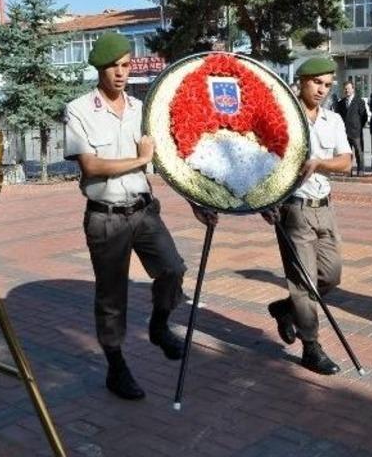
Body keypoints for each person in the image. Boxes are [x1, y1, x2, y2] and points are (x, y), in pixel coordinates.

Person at [195, 57, 353, 375]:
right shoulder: (279, 120)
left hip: (325, 207)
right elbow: (253, 164)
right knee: (303, 282)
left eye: (327, 85)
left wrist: (319, 164)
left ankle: (285, 307)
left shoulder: (332, 120)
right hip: (292, 210)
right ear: (301, 82)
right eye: (316, 83)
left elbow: (346, 161)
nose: (321, 90)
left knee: (332, 275)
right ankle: (312, 347)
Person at [63, 33, 187, 400]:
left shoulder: (139, 109)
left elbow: (163, 161)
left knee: (173, 268)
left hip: (144, 210)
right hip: (107, 217)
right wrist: (139, 160)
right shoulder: (79, 110)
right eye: (113, 67)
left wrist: (198, 203)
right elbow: (92, 165)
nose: (120, 73)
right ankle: (116, 368)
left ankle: (159, 325)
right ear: (100, 70)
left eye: (125, 65)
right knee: (111, 297)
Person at [333, 81, 368, 176]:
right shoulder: (340, 103)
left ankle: (360, 170)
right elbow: (338, 117)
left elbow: (364, 117)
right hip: (344, 132)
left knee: (359, 152)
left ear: (353, 89)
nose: (347, 90)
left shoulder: (359, 101)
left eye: (349, 88)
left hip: (356, 132)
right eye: (345, 89)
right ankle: (348, 170)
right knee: (346, 153)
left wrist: (359, 126)